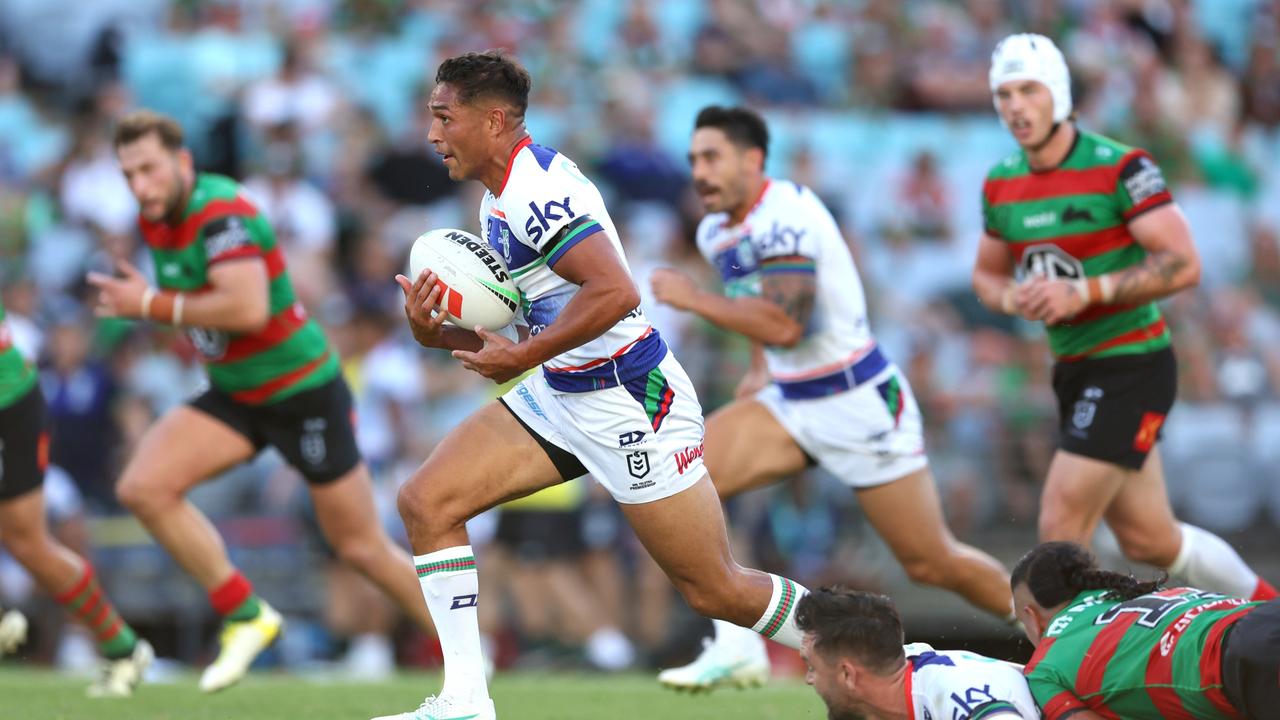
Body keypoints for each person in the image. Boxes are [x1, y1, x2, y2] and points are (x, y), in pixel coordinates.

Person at [376, 50, 813, 720]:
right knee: (426, 502)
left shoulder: (534, 192)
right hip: (562, 388)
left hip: (629, 398)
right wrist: (438, 334)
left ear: (493, 122)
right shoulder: (497, 199)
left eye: (443, 117)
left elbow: (614, 291)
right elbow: (529, 324)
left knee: (717, 590)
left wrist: (524, 358)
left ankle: (871, 644)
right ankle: (465, 701)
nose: (431, 134)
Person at [649, 105, 1014, 691]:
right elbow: (758, 304)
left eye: (713, 157)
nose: (700, 171)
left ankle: (1054, 633)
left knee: (931, 560)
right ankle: (736, 643)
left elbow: (788, 322)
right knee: (684, 477)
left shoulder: (786, 215)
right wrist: (758, 368)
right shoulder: (716, 227)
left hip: (857, 401)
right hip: (791, 400)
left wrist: (693, 299)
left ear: (753, 160)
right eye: (694, 159)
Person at [88, 110, 436, 693]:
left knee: (360, 547)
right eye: (129, 175)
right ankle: (248, 615)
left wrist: (150, 304)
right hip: (237, 392)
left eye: (149, 169)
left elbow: (246, 308)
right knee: (142, 488)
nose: (140, 186)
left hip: (302, 392)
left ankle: (465, 648)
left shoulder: (223, 210)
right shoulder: (155, 221)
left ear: (182, 162)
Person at [971, 34, 1276, 602]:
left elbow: (1184, 264)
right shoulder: (1000, 182)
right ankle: (1269, 608)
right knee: (1150, 538)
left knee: (1059, 524)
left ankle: (1065, 676)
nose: (1015, 105)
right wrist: (1019, 300)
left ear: (1058, 93)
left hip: (1131, 362)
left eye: (1029, 90)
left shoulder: (1121, 167)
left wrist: (1086, 291)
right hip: (1073, 369)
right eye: (1004, 93)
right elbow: (986, 278)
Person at [0, 297, 153, 696]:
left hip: (9, 408)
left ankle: (112, 645)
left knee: (31, 544)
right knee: (29, 545)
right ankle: (122, 646)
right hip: (18, 406)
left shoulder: (102, 379)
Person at [1013, 541, 1280, 719]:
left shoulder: (1044, 669)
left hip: (1247, 662)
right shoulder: (1128, 591)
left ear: (1031, 616)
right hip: (1262, 619)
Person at [796, 587, 1037, 720]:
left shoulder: (955, 696)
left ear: (848, 675)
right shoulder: (901, 670)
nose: (809, 680)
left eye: (812, 668)